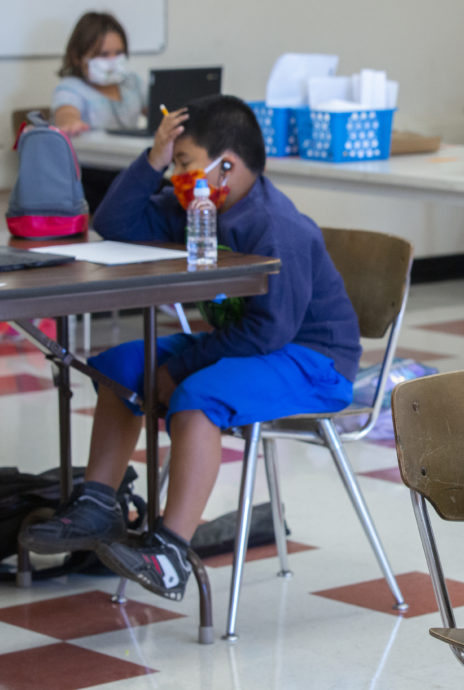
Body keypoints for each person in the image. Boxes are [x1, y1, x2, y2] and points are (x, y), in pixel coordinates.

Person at [20, 95, 362, 602]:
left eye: (184, 163)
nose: (176, 176)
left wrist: (178, 369)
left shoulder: (278, 228)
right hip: (253, 343)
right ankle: (97, 506)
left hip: (311, 358)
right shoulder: (198, 206)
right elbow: (115, 222)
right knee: (118, 367)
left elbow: (269, 333)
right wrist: (154, 158)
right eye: (174, 165)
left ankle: (172, 552)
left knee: (196, 394)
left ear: (227, 166)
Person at [52, 11, 147, 212]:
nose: (113, 60)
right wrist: (70, 121)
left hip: (130, 166)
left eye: (119, 53)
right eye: (104, 55)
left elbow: (157, 109)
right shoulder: (71, 87)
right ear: (79, 57)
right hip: (94, 174)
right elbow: (65, 112)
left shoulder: (131, 83)